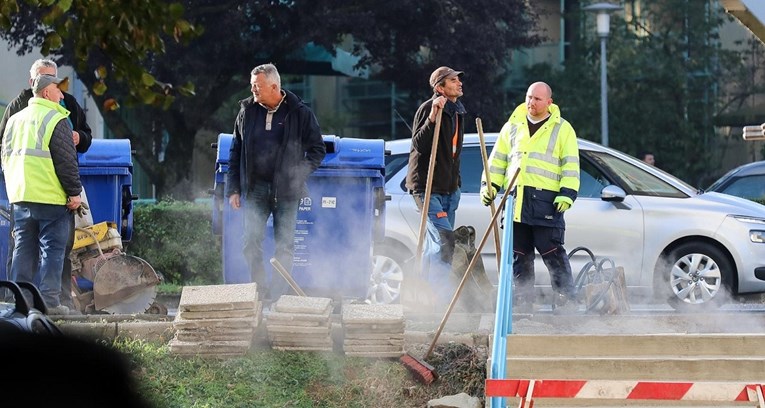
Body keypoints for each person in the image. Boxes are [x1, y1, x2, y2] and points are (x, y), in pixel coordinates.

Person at [226, 63, 326, 300]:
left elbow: (317, 149)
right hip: (255, 188)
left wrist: (297, 174)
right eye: (252, 86)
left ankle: (278, 296)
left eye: (257, 86)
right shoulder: (246, 112)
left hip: (288, 192)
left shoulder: (299, 112)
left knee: (285, 246)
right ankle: (259, 290)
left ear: (273, 86)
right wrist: (234, 189)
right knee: (250, 242)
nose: (253, 90)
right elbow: (235, 151)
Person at [0, 58, 93, 312]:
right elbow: (66, 161)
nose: (61, 95)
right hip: (51, 199)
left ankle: (20, 304)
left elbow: (4, 156)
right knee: (53, 251)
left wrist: (16, 188)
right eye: (56, 90)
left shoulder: (14, 119)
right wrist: (74, 193)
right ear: (44, 91)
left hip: (21, 197)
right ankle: (51, 304)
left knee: (22, 251)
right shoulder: (56, 118)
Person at [480, 81, 580, 314]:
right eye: (529, 97)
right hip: (516, 201)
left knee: (551, 251)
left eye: (537, 99)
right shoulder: (512, 126)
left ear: (549, 102)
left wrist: (567, 193)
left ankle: (567, 300)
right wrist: (489, 186)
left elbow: (571, 164)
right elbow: (497, 161)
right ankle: (523, 303)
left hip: (548, 202)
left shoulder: (562, 128)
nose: (531, 102)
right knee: (520, 255)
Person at [405, 66, 466, 307]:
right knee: (445, 241)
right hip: (427, 188)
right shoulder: (428, 109)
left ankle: (424, 298)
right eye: (453, 80)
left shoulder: (459, 112)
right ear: (440, 87)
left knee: (436, 247)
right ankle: (441, 301)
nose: (459, 83)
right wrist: (432, 117)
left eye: (459, 79)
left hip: (450, 189)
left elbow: (453, 153)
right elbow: (419, 144)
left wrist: (457, 183)